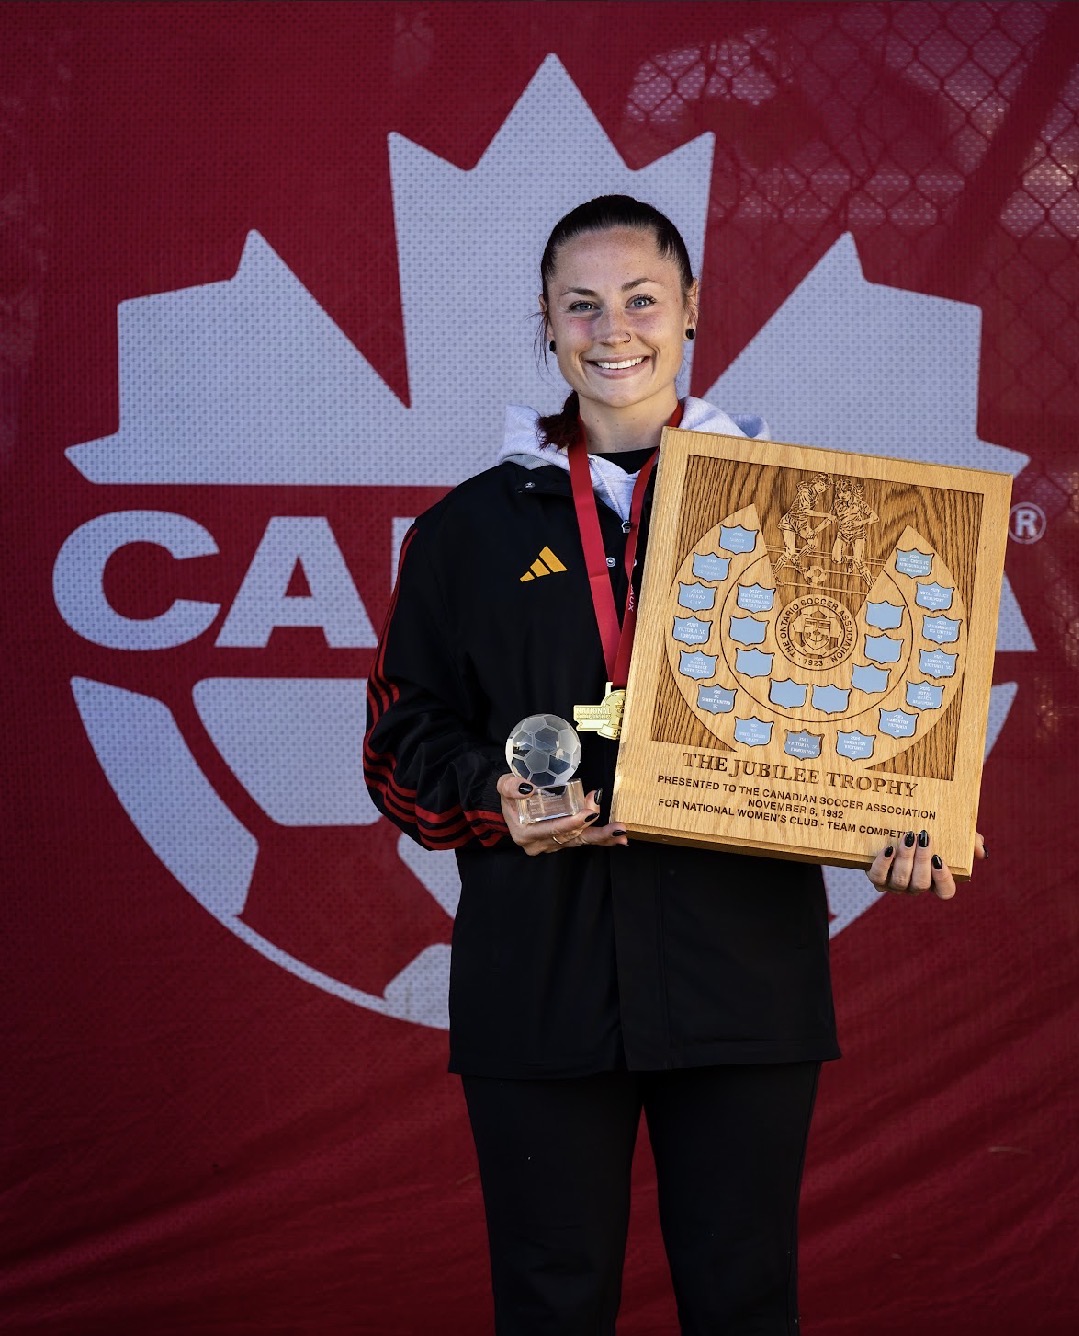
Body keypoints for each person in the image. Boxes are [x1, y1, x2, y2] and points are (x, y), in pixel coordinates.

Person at [364, 195, 984, 1335]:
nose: (614, 330)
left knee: (742, 1299)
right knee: (550, 1301)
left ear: (691, 309)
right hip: (538, 980)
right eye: (581, 304)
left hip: (739, 972)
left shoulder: (813, 515)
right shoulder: (464, 532)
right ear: (546, 322)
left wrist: (897, 823)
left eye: (641, 299)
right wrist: (496, 799)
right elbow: (400, 742)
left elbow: (876, 710)